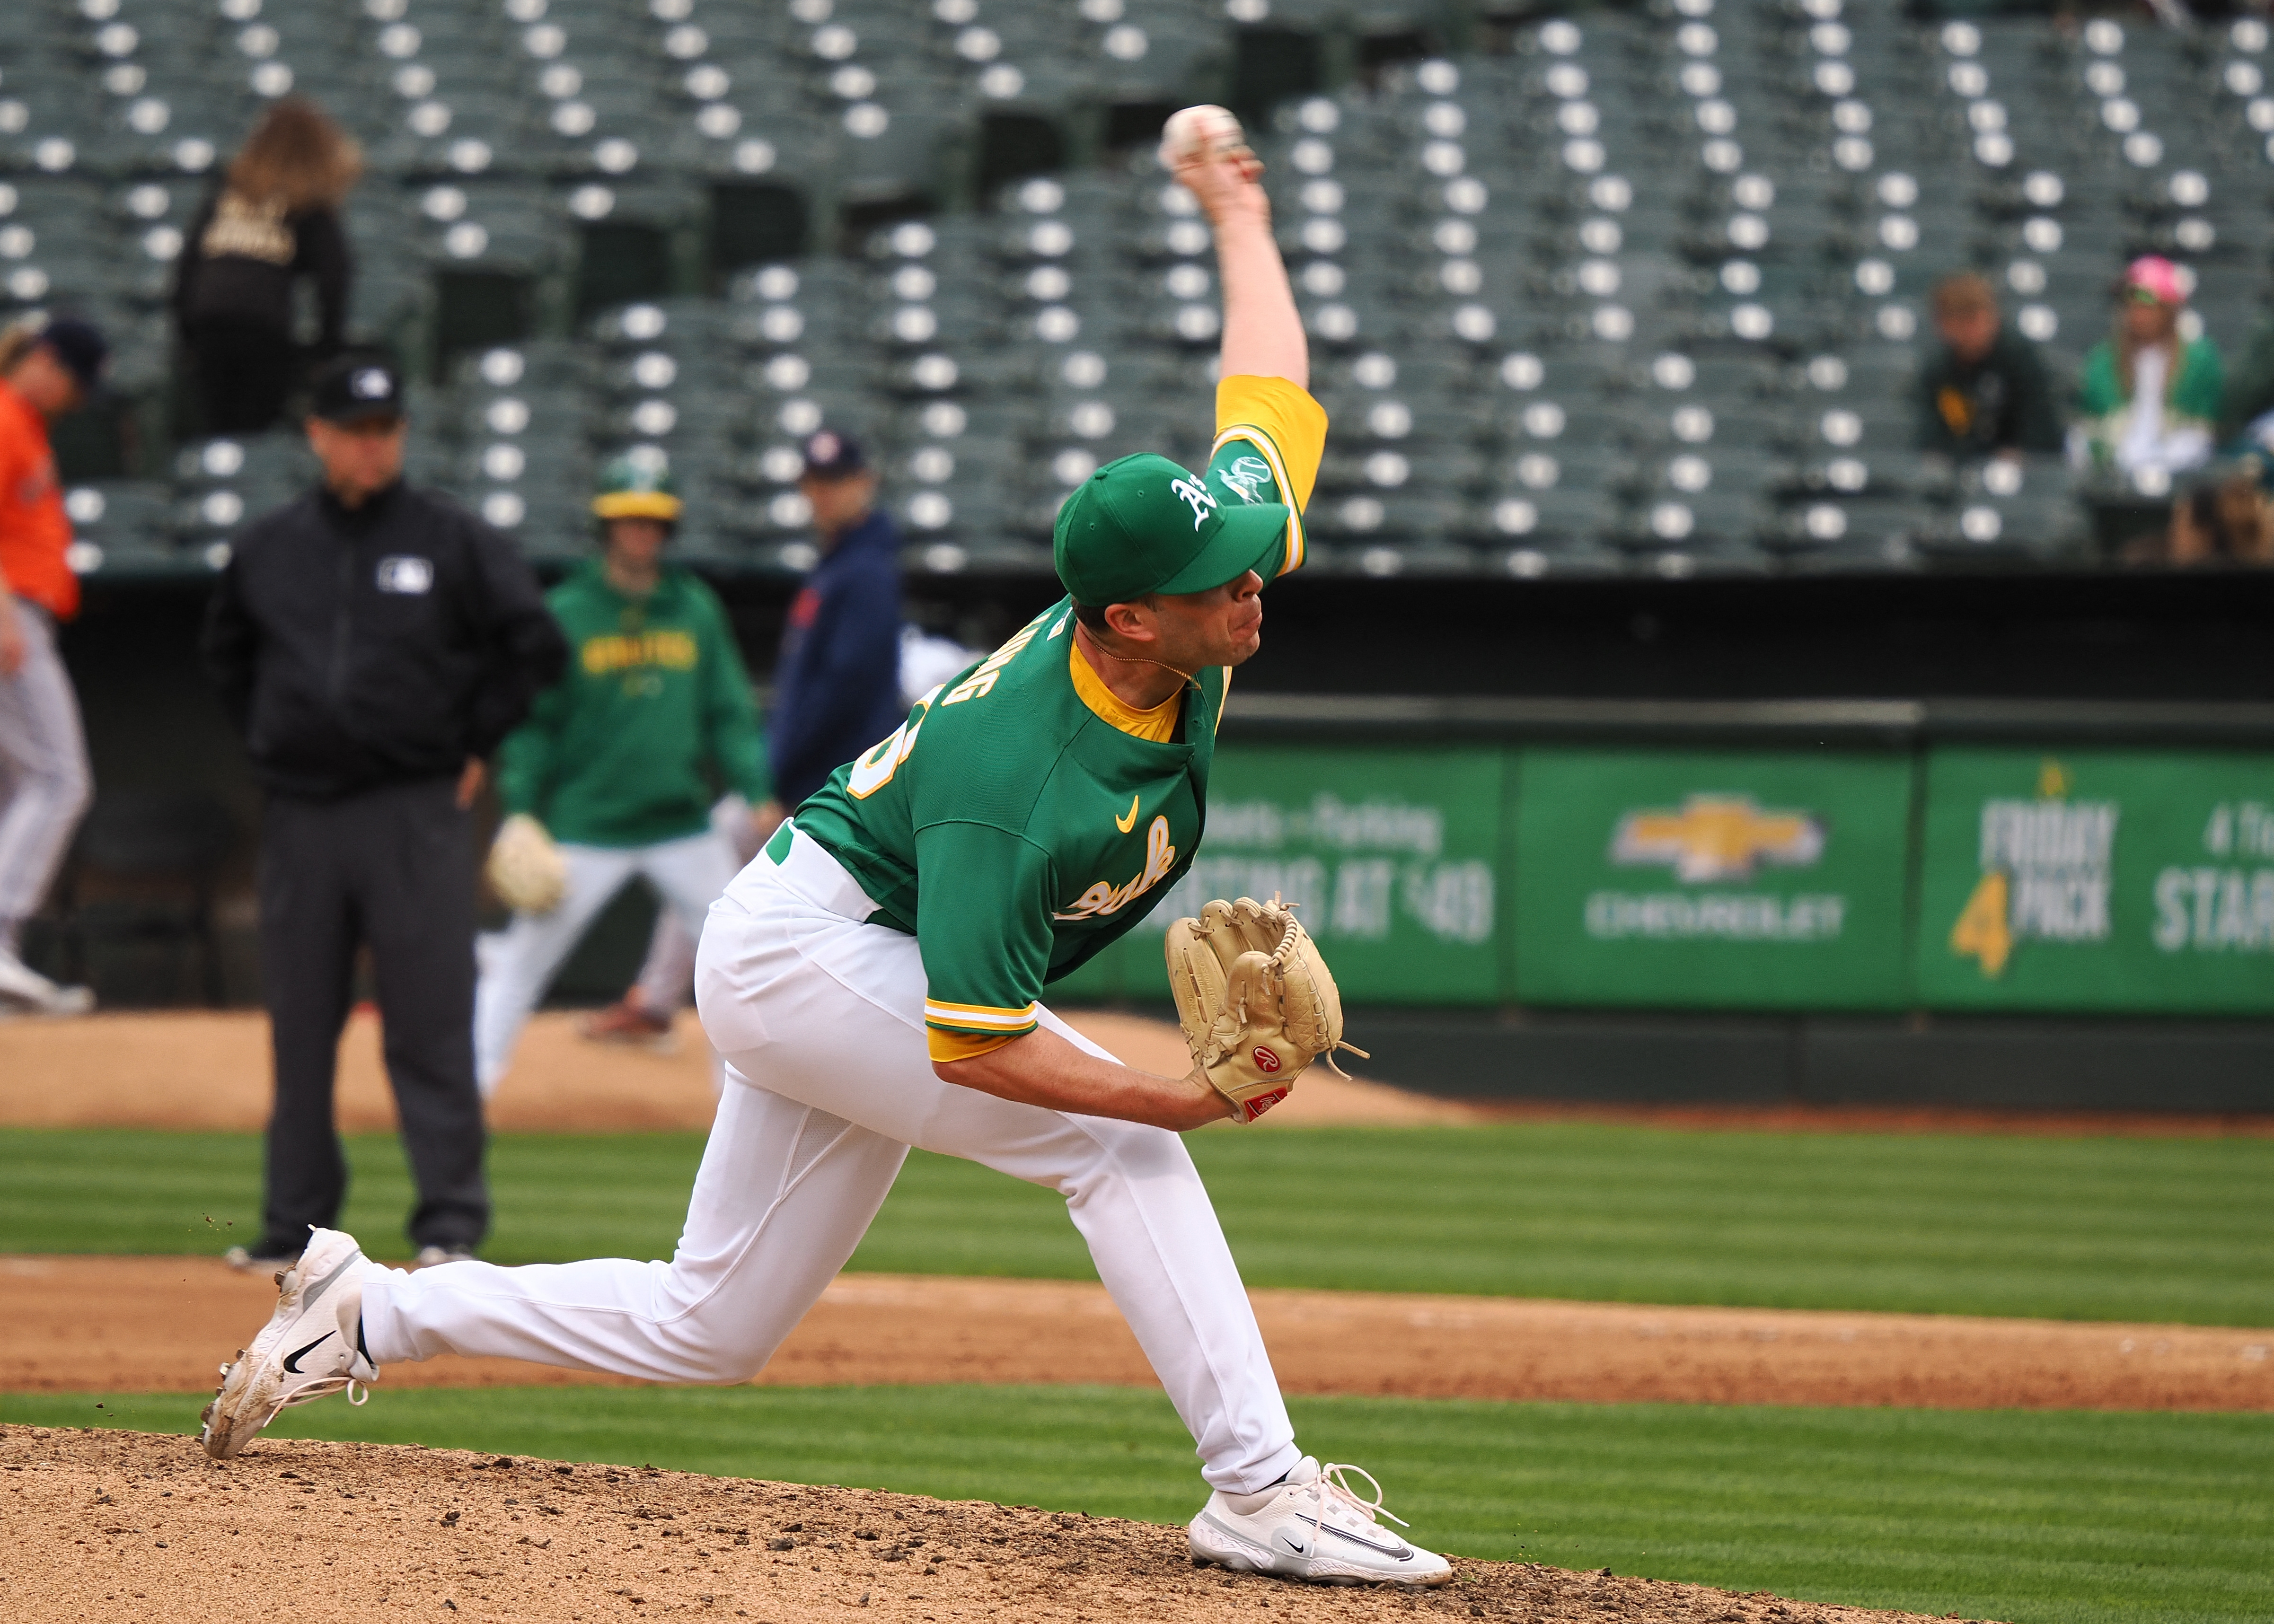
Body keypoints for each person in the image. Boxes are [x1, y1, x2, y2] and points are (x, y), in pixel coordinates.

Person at [200, 118, 1455, 1589]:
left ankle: (371, 1310)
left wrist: (1236, 212)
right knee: (1120, 1146)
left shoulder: (1195, 596)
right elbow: (978, 1042)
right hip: (812, 949)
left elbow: (1271, 392)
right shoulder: (1017, 775)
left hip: (838, 930)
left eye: (1242, 556)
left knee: (709, 1323)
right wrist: (1170, 1091)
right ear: (1127, 617)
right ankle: (1258, 1488)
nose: (1252, 584)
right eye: (1213, 579)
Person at [202, 352, 565, 1271]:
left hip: (415, 809)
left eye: (387, 430)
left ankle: (448, 1223)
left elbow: (534, 645)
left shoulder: (450, 537)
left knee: (430, 1023)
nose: (374, 446)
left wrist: (475, 740)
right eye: (357, 431)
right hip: (303, 815)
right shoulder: (271, 545)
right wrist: (274, 743)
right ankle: (293, 1225)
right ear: (318, 435)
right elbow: (226, 659)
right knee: (301, 1022)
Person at [577, 427, 895, 1049]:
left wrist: (774, 779)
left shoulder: (865, 572)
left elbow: (840, 692)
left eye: (838, 481)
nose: (824, 494)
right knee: (711, 859)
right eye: (816, 482)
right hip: (814, 776)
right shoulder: (842, 563)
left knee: (727, 862)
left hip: (833, 783)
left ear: (866, 483)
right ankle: (656, 999)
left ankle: (668, 1002)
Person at [473, 455, 771, 1096]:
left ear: (668, 529)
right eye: (627, 520)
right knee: (523, 961)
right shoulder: (567, 610)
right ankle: (469, 1090)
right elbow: (533, 724)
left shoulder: (694, 608)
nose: (640, 533)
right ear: (605, 526)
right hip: (587, 823)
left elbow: (729, 712)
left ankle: (741, 1106)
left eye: (652, 521)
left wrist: (755, 786)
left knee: (738, 961)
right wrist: (522, 808)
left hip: (680, 823)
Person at [0, 316, 107, 1015]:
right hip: (12, 612)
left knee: (27, 787)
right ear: (46, 360)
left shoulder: (24, 423)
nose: (74, 397)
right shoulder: (5, 418)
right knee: (61, 779)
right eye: (72, 379)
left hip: (25, 611)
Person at [173, 99, 359, 437]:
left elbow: (187, 266)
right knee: (257, 434)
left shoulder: (229, 193)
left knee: (221, 430)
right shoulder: (309, 202)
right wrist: (327, 352)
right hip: (263, 329)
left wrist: (185, 338)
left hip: (209, 323)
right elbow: (335, 277)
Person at [2072, 255, 2224, 477]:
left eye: (2147, 304)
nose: (2138, 313)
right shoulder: (2102, 360)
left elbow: (2202, 433)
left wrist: (2161, 464)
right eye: (2130, 303)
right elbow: (2089, 432)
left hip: (2180, 471)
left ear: (2169, 310)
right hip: (2114, 473)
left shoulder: (2199, 360)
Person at [1915, 271, 2063, 459]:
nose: (1970, 330)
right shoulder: (1938, 372)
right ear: (1943, 325)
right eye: (1960, 319)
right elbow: (1934, 438)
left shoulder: (2020, 359)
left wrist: (2019, 454)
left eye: (1975, 317)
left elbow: (2043, 428)